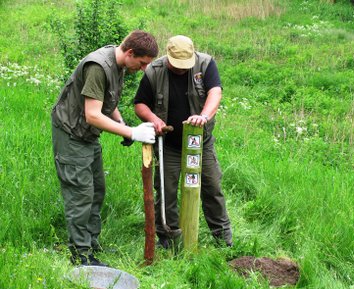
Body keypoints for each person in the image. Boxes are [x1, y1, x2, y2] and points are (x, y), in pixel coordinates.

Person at [51, 30, 158, 266]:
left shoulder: (118, 64)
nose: (142, 69)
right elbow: (92, 115)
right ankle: (81, 256)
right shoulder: (98, 67)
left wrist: (121, 123)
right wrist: (132, 132)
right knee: (81, 195)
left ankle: (91, 245)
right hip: (71, 135)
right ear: (130, 52)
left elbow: (107, 102)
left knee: (97, 190)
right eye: (141, 63)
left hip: (87, 137)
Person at [134, 35, 232, 248]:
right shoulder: (154, 71)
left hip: (200, 144)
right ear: (167, 56)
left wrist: (203, 116)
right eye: (176, 65)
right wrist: (153, 119)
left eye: (184, 65)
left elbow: (215, 93)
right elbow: (140, 104)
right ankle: (168, 239)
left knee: (212, 187)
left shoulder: (205, 64)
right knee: (166, 191)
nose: (181, 69)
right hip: (168, 144)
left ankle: (223, 240)